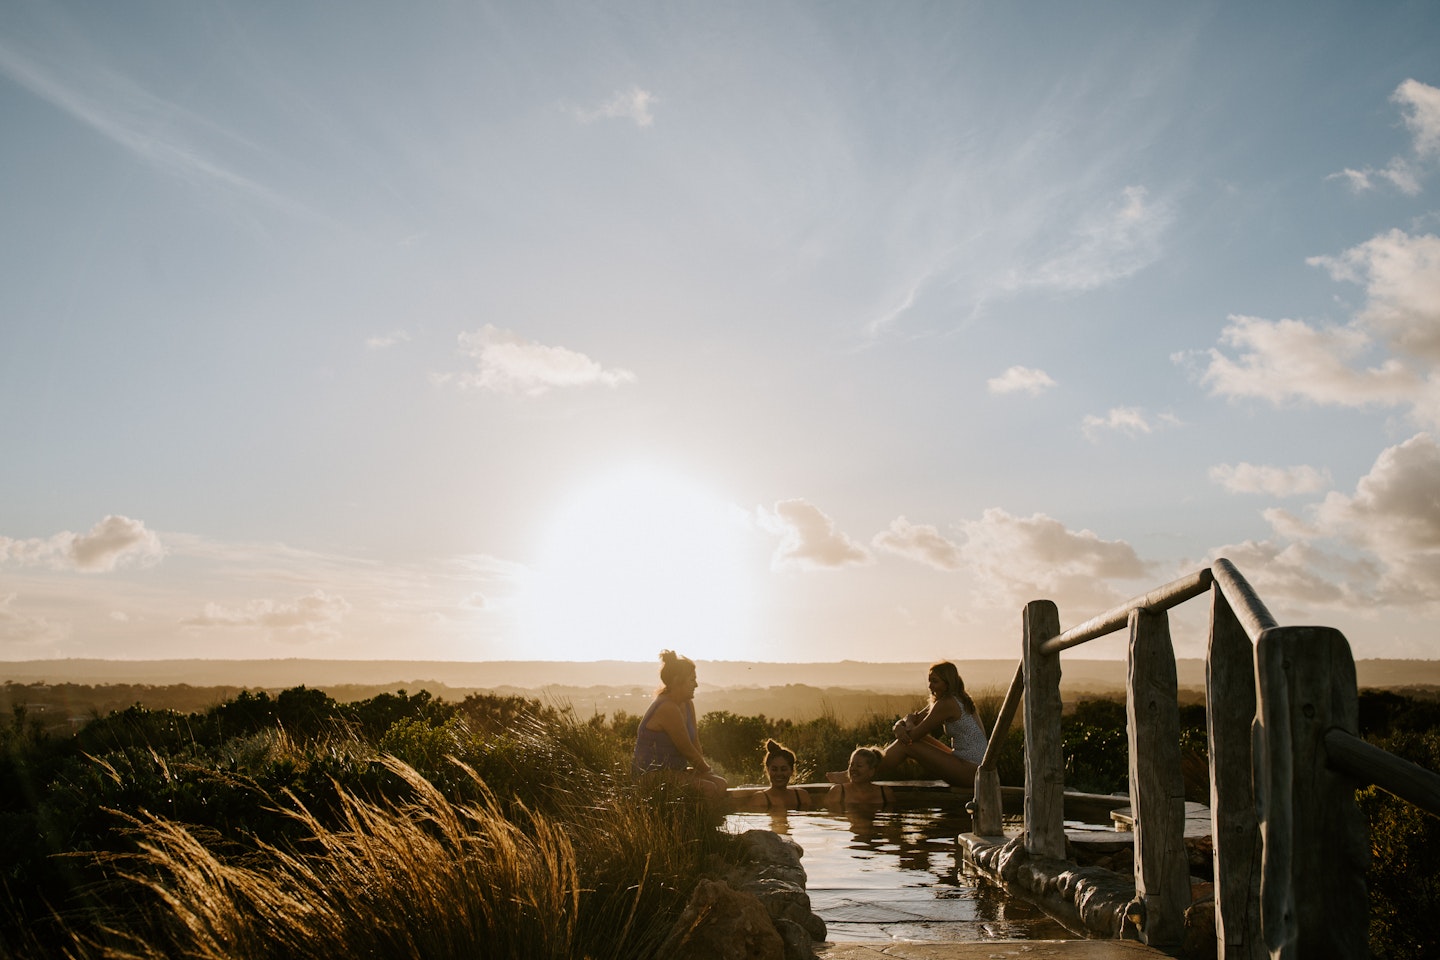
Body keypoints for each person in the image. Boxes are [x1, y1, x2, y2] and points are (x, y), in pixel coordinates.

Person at [828, 660, 987, 788]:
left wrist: (906, 725)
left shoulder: (947, 704)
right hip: (968, 765)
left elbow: (913, 734)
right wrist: (898, 726)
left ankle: (856, 773)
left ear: (947, 683)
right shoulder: (952, 698)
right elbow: (911, 720)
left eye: (935, 682)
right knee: (913, 741)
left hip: (971, 772)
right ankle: (859, 771)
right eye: (929, 681)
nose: (930, 686)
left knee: (907, 745)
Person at [631, 650, 729, 801]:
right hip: (650, 774)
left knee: (721, 784)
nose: (696, 684)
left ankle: (708, 821)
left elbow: (695, 743)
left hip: (675, 771)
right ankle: (704, 824)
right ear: (677, 681)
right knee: (709, 788)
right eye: (692, 680)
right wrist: (707, 771)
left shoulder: (687, 704)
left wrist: (704, 772)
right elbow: (687, 750)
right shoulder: (667, 708)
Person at [741, 739, 813, 811]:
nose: (779, 774)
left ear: (791, 771)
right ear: (768, 770)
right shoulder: (760, 799)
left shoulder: (802, 797)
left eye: (783, 769)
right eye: (774, 769)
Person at [824, 746, 893, 808]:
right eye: (851, 765)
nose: (853, 769)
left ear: (871, 771)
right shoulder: (838, 792)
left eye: (859, 766)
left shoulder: (885, 793)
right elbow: (831, 817)